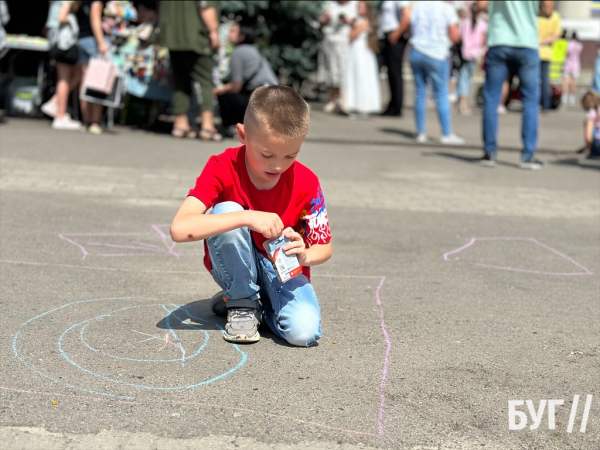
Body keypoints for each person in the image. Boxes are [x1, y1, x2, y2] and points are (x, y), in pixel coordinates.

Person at [170, 85, 332, 345]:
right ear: (242, 135)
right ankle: (242, 301)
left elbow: (324, 247)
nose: (278, 165)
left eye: (291, 155)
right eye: (266, 154)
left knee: (304, 334)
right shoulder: (223, 166)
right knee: (227, 210)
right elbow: (180, 229)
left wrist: (305, 254)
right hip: (236, 262)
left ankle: (248, 302)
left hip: (283, 270)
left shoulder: (307, 181)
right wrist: (247, 217)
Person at [476, 0, 554, 169]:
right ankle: (527, 155)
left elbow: (481, 5)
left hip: (499, 40)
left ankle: (489, 153)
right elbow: (548, 9)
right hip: (526, 41)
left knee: (491, 99)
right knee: (530, 101)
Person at [158, 1, 222, 141]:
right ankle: (207, 126)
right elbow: (205, 6)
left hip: (172, 37)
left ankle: (180, 124)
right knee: (204, 80)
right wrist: (213, 31)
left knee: (180, 80)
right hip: (196, 37)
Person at [408, 0, 465, 145]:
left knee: (420, 92)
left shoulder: (418, 6)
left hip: (417, 50)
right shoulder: (447, 8)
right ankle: (446, 133)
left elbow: (411, 30)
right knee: (441, 93)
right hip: (437, 53)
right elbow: (454, 35)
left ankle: (421, 132)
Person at [213, 21, 278, 138]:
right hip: (272, 98)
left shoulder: (238, 52)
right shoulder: (252, 50)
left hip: (261, 100)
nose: (229, 34)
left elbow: (235, 86)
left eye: (233, 32)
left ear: (241, 37)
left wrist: (216, 91)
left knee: (225, 96)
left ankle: (233, 127)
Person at [41, 1, 82, 131]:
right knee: (65, 78)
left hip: (55, 37)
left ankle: (55, 103)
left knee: (70, 76)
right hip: (63, 41)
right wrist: (73, 21)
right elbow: (62, 17)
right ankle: (60, 114)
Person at [75, 0, 111, 135]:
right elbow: (95, 18)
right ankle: (95, 121)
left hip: (82, 39)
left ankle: (85, 120)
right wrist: (101, 42)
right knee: (98, 81)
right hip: (94, 40)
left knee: (85, 81)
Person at [317, 1, 358, 113]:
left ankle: (344, 101)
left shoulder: (354, 5)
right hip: (329, 41)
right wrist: (325, 20)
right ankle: (332, 100)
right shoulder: (329, 4)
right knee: (330, 70)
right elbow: (319, 22)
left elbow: (360, 23)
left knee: (343, 71)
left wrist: (347, 21)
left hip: (344, 43)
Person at [344, 1, 381, 119]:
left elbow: (351, 36)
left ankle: (362, 107)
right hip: (362, 52)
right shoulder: (364, 22)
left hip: (360, 53)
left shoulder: (362, 23)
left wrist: (351, 26)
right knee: (362, 78)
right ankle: (359, 106)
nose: (358, 9)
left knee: (360, 78)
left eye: (361, 7)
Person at [378, 0, 410, 117]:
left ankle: (396, 106)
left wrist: (397, 33)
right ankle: (392, 104)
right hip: (384, 34)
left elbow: (406, 16)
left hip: (394, 35)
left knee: (395, 71)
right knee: (389, 72)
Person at [456, 2, 487, 115]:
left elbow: (459, 36)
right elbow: (484, 40)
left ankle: (461, 100)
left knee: (463, 76)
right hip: (474, 53)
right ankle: (462, 101)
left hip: (464, 52)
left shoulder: (465, 22)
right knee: (466, 77)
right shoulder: (482, 23)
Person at [538, 9, 561, 113]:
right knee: (545, 81)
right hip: (546, 52)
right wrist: (544, 41)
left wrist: (539, 42)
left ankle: (535, 103)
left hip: (534, 51)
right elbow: (557, 34)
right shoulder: (554, 15)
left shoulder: (535, 13)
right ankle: (545, 105)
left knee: (533, 81)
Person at [561, 32, 582, 106]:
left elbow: (566, 53)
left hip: (567, 64)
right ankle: (572, 97)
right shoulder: (579, 45)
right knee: (574, 82)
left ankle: (564, 96)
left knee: (565, 82)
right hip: (575, 65)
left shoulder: (568, 44)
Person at [582, 90, 600, 159]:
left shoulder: (591, 113)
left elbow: (588, 137)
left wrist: (589, 148)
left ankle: (594, 151)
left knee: (592, 128)